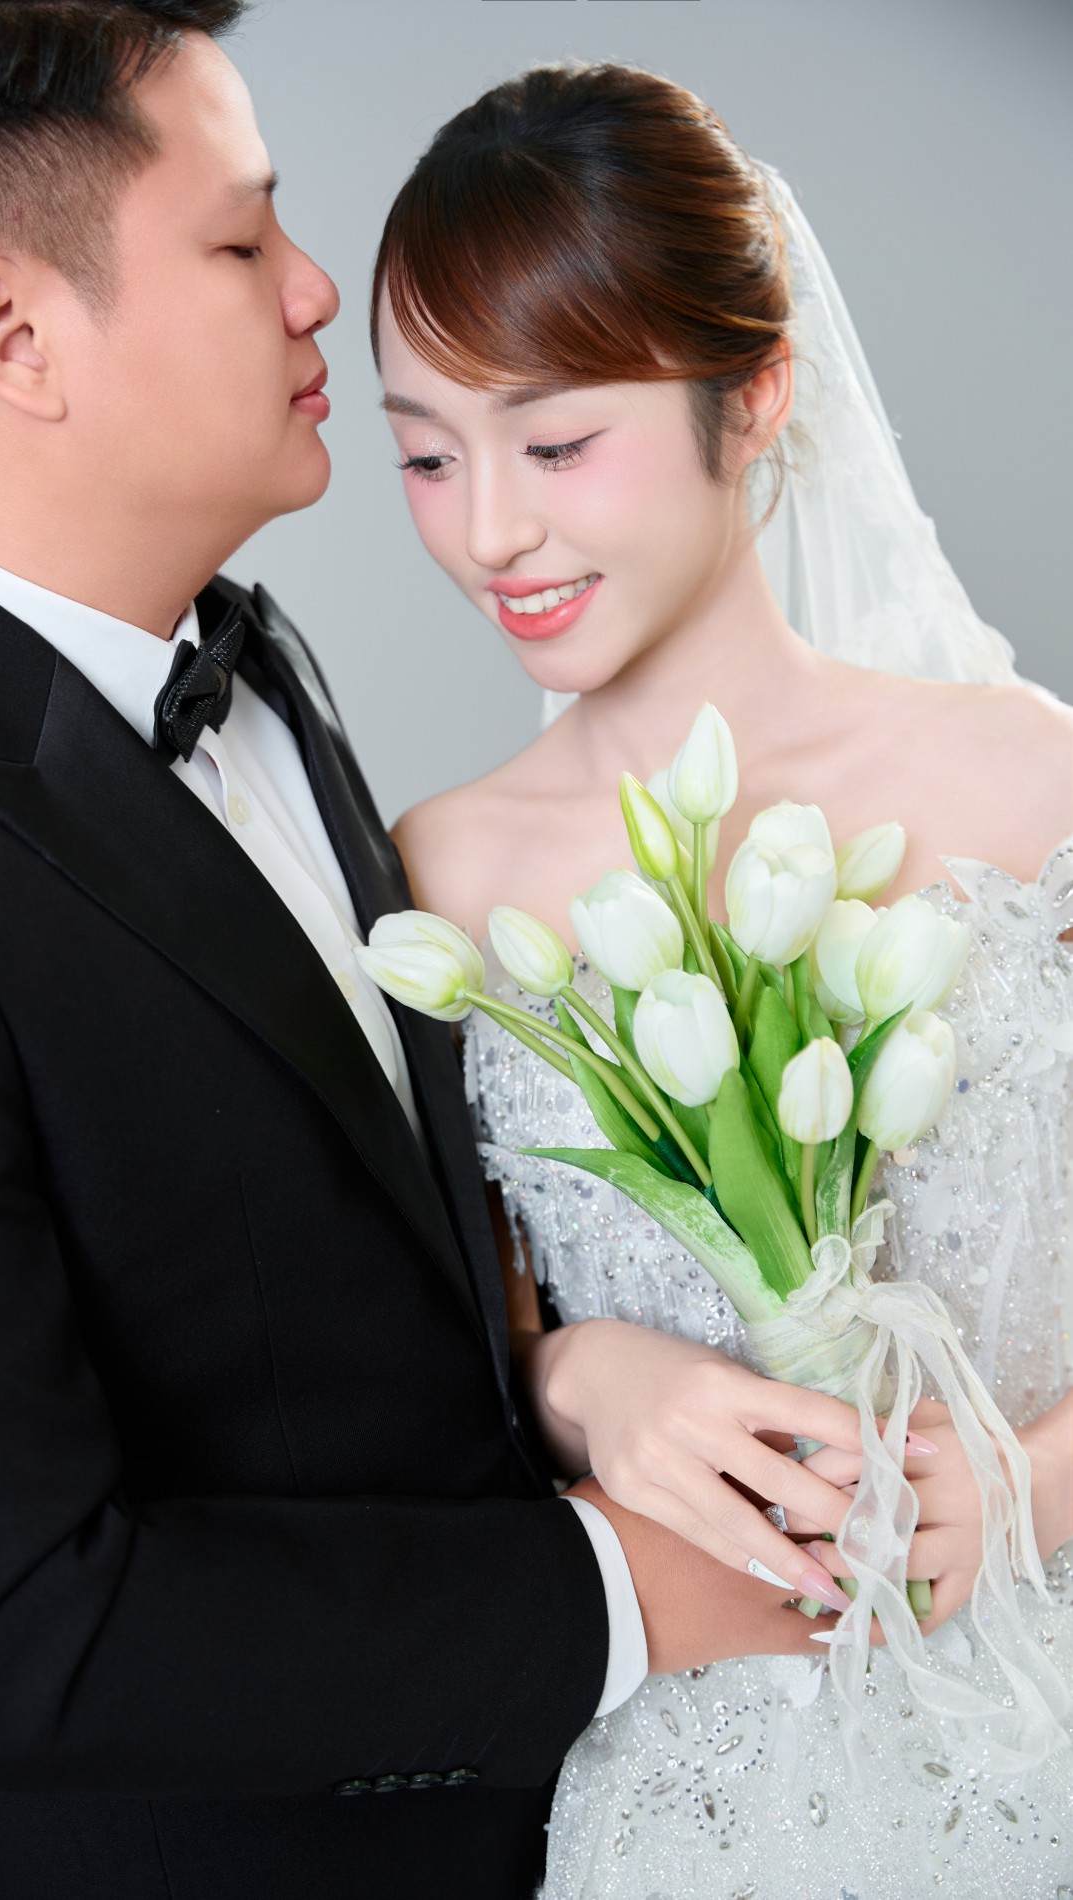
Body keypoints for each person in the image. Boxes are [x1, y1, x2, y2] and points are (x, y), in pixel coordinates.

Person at [0, 10, 869, 1898]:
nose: (317, 290)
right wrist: (620, 1591)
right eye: (240, 239)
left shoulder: (251, 658)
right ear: (8, 330)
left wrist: (569, 1375)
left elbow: (349, 1285)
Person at [375, 60, 1073, 1898]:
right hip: (698, 1782)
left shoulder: (1031, 783)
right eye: (428, 456)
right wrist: (581, 1378)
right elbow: (426, 1353)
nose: (489, 531)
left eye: (554, 444)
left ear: (752, 391)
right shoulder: (437, 879)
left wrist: (1037, 1484)